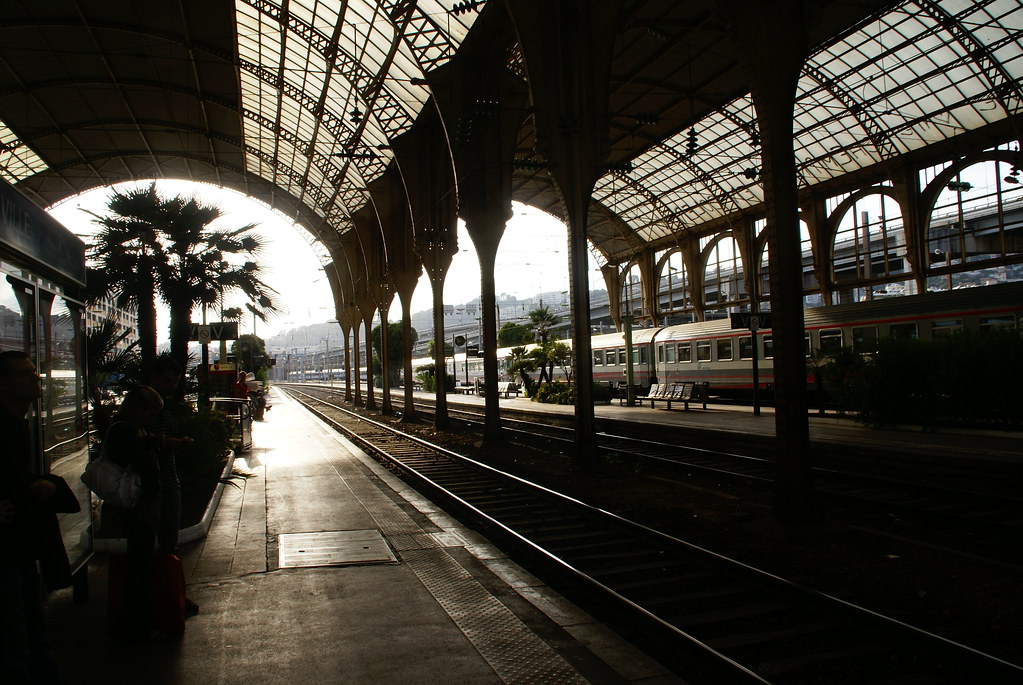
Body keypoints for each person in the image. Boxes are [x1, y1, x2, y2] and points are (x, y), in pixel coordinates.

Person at [0, 350, 77, 683]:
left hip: (21, 547)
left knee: (30, 630)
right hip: (4, 553)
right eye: (23, 374)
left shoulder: (21, 424)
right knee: (15, 642)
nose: (35, 377)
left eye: (34, 372)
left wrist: (43, 485)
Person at [102, 385, 164, 640]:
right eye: (151, 414)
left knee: (141, 561)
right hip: (135, 506)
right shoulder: (124, 430)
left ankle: (140, 622)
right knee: (140, 565)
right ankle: (140, 626)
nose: (153, 419)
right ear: (139, 410)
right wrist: (153, 447)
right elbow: (136, 460)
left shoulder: (128, 428)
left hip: (139, 505)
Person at [147, 357, 197, 616]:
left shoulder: (165, 406)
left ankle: (174, 596)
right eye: (168, 380)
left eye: (176, 381)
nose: (172, 386)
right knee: (152, 549)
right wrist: (167, 443)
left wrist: (177, 442)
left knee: (170, 545)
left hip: (169, 482)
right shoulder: (145, 404)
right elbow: (140, 440)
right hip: (150, 488)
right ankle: (157, 603)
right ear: (154, 378)